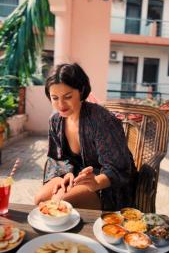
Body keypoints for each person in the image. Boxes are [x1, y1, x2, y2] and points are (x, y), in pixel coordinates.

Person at [35, 63, 137, 210]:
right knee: (40, 199)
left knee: (59, 203)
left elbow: (120, 168)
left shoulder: (101, 120)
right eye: (55, 98)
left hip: (108, 185)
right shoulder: (55, 121)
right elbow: (56, 158)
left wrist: (96, 182)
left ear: (81, 91)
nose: (61, 104)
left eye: (68, 96)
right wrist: (64, 174)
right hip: (75, 176)